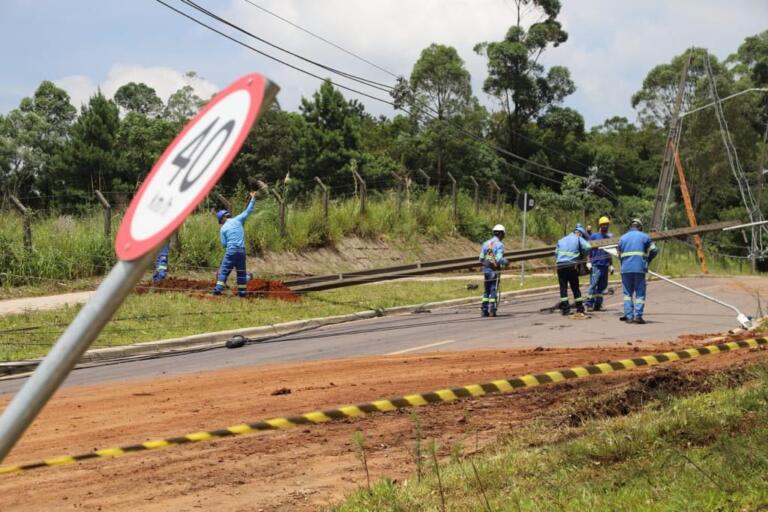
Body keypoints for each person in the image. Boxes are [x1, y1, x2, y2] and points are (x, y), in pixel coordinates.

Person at [213, 191, 257, 297]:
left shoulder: (223, 229)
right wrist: (253, 199)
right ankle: (242, 293)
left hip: (231, 251)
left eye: (220, 221)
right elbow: (248, 211)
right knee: (241, 273)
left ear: (222, 218)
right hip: (241, 252)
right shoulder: (238, 220)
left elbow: (224, 244)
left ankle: (218, 290)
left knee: (224, 271)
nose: (221, 223)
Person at [617, 218, 658, 324]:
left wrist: (623, 262)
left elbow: (618, 253)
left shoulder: (623, 238)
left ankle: (629, 316)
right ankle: (638, 316)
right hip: (639, 268)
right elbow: (654, 250)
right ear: (640, 227)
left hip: (626, 269)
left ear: (631, 226)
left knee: (627, 294)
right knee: (640, 293)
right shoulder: (645, 237)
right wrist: (647, 260)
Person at [555, 224, 592, 315]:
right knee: (575, 287)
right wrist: (583, 257)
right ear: (580, 234)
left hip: (560, 266)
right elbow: (588, 247)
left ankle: (565, 309)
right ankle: (580, 308)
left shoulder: (562, 239)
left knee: (563, 288)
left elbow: (556, 253)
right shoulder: (578, 238)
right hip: (571, 266)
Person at [478, 224, 509, 317]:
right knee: (493, 289)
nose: (503, 236)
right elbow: (499, 259)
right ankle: (492, 309)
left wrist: (488, 263)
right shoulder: (499, 245)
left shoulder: (486, 243)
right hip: (494, 270)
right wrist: (506, 261)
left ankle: (484, 310)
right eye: (503, 234)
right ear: (501, 234)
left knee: (486, 290)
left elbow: (481, 258)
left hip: (486, 270)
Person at [585, 216, 614, 311]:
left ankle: (598, 304)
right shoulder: (594, 236)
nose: (605, 226)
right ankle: (589, 304)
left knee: (602, 286)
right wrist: (588, 261)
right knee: (593, 285)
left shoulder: (609, 238)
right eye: (603, 225)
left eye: (607, 224)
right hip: (596, 265)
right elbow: (588, 250)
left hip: (605, 265)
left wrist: (611, 264)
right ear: (600, 225)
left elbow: (610, 252)